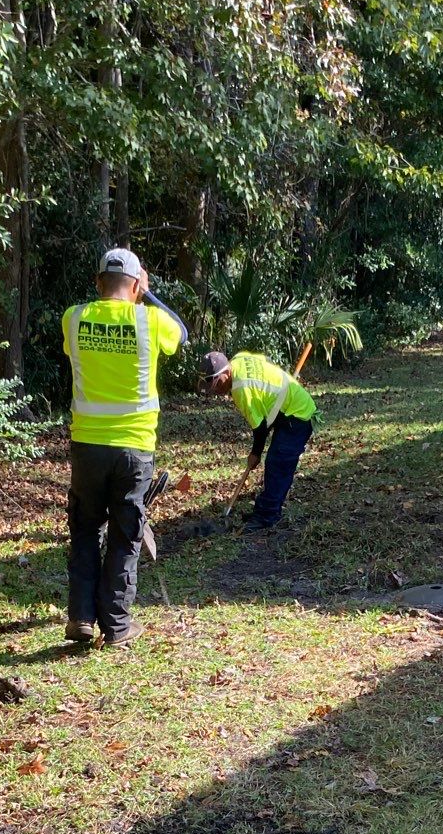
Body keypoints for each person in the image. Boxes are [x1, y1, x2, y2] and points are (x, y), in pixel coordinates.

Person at [61, 248, 188, 646]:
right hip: (134, 448)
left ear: (98, 283)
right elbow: (181, 334)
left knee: (85, 529)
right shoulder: (150, 320)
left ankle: (81, 617)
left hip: (87, 445)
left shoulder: (74, 318)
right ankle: (116, 626)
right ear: (136, 286)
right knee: (125, 531)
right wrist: (147, 295)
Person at [201, 348, 316, 531]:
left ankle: (267, 516)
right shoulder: (238, 359)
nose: (216, 390)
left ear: (226, 372)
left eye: (217, 383)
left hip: (298, 414)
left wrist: (255, 454)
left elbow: (260, 428)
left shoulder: (241, 390)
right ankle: (264, 510)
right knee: (275, 462)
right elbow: (265, 360)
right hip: (284, 408)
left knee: (277, 463)